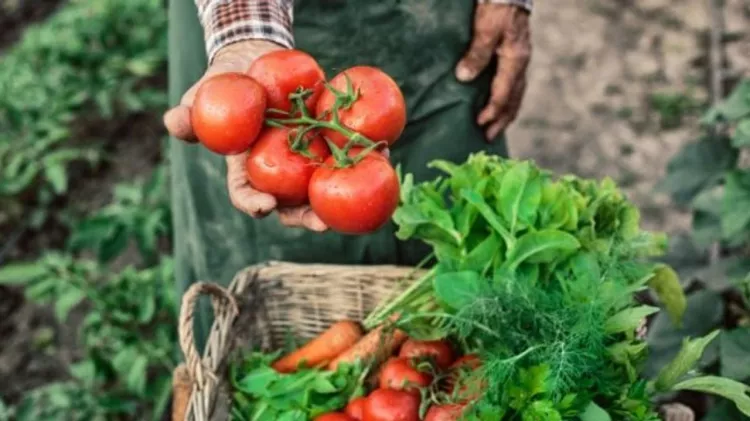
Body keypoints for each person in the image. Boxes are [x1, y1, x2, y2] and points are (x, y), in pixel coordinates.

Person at [164, 0, 532, 342]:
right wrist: (247, 35)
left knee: (464, 236)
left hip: (438, 28)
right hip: (255, 22)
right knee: (252, 318)